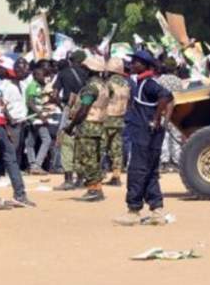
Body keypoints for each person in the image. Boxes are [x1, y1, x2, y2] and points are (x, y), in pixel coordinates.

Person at [114, 50, 173, 226]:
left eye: (136, 62)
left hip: (143, 135)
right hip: (152, 135)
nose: (132, 65)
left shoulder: (147, 83)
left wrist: (156, 119)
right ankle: (157, 210)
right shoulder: (143, 82)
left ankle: (133, 210)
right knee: (151, 172)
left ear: (145, 66)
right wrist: (164, 121)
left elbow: (165, 96)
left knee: (137, 171)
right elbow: (170, 99)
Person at [0, 57, 35, 207]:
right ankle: (19, 194)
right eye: (22, 68)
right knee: (10, 159)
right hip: (8, 126)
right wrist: (9, 125)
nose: (26, 71)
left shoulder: (21, 84)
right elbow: (3, 107)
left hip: (18, 123)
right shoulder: (7, 86)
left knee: (2, 160)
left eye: (27, 68)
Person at [65, 54, 108, 202]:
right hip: (99, 126)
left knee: (88, 159)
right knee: (94, 158)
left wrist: (71, 126)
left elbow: (83, 110)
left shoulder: (90, 88)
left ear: (89, 70)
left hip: (88, 126)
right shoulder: (104, 86)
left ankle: (93, 189)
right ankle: (96, 187)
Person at [54, 50, 89, 190]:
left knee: (66, 143)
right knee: (80, 143)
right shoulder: (87, 74)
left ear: (71, 60)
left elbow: (55, 93)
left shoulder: (63, 73)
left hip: (69, 109)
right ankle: (80, 178)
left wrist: (62, 105)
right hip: (85, 110)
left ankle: (68, 179)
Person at [24, 64, 59, 174]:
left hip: (37, 117)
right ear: (34, 76)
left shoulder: (40, 86)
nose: (43, 77)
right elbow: (30, 102)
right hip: (36, 118)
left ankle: (32, 164)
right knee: (46, 140)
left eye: (43, 75)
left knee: (30, 142)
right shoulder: (33, 86)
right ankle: (37, 164)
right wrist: (40, 114)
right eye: (40, 75)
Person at [103, 57, 129, 186]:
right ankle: (116, 175)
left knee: (101, 147)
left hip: (107, 118)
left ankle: (96, 176)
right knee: (116, 148)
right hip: (120, 118)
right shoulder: (125, 84)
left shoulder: (108, 84)